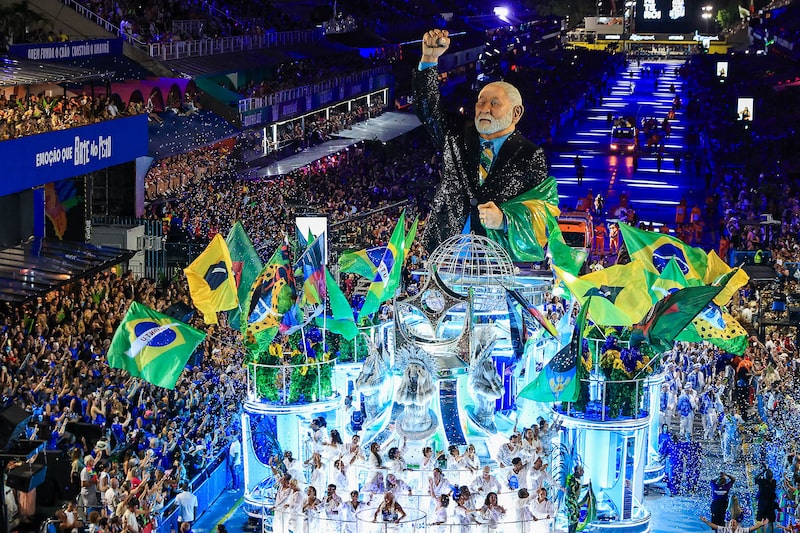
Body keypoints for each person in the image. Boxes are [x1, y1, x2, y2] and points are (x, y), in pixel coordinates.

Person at [413, 28, 548, 253]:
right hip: (446, 250)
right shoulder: (455, 136)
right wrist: (429, 59)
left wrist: (504, 220)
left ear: (516, 113)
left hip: (497, 256)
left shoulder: (530, 155)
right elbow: (426, 108)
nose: (484, 109)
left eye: (494, 103)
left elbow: (540, 211)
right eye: (480, 102)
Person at [700, 515, 767, 532]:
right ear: (728, 525)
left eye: (734, 522)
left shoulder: (741, 530)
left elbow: (751, 529)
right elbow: (715, 526)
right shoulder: (725, 530)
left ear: (737, 525)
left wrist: (760, 525)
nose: (732, 523)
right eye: (731, 523)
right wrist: (706, 522)